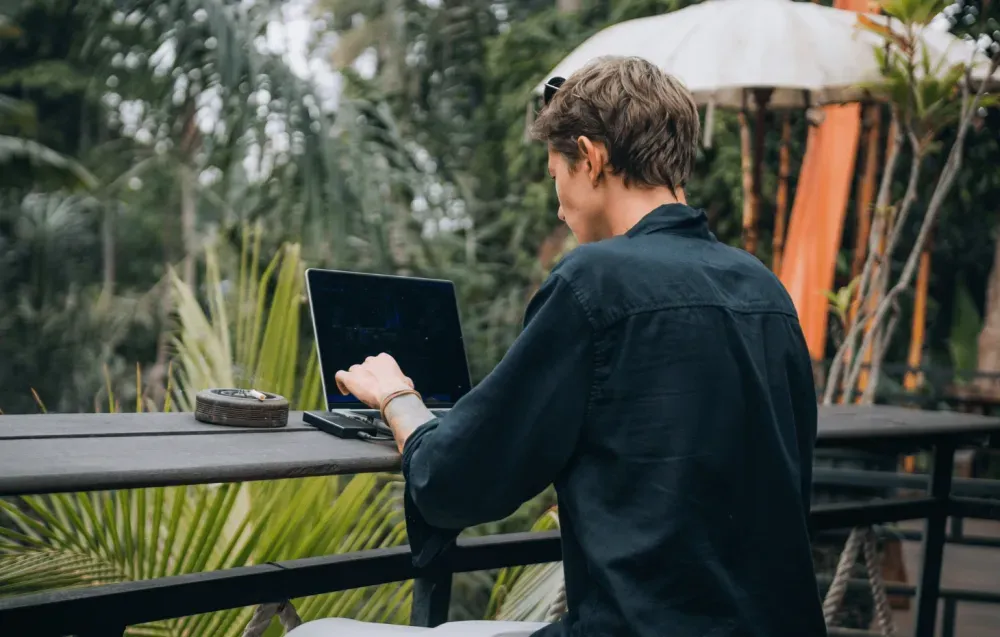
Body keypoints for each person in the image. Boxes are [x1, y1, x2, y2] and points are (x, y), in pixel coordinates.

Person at [288, 56, 826, 637]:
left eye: (555, 176)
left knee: (317, 633)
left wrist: (397, 397)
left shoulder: (595, 281)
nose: (559, 204)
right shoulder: (764, 289)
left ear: (590, 159)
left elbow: (456, 483)